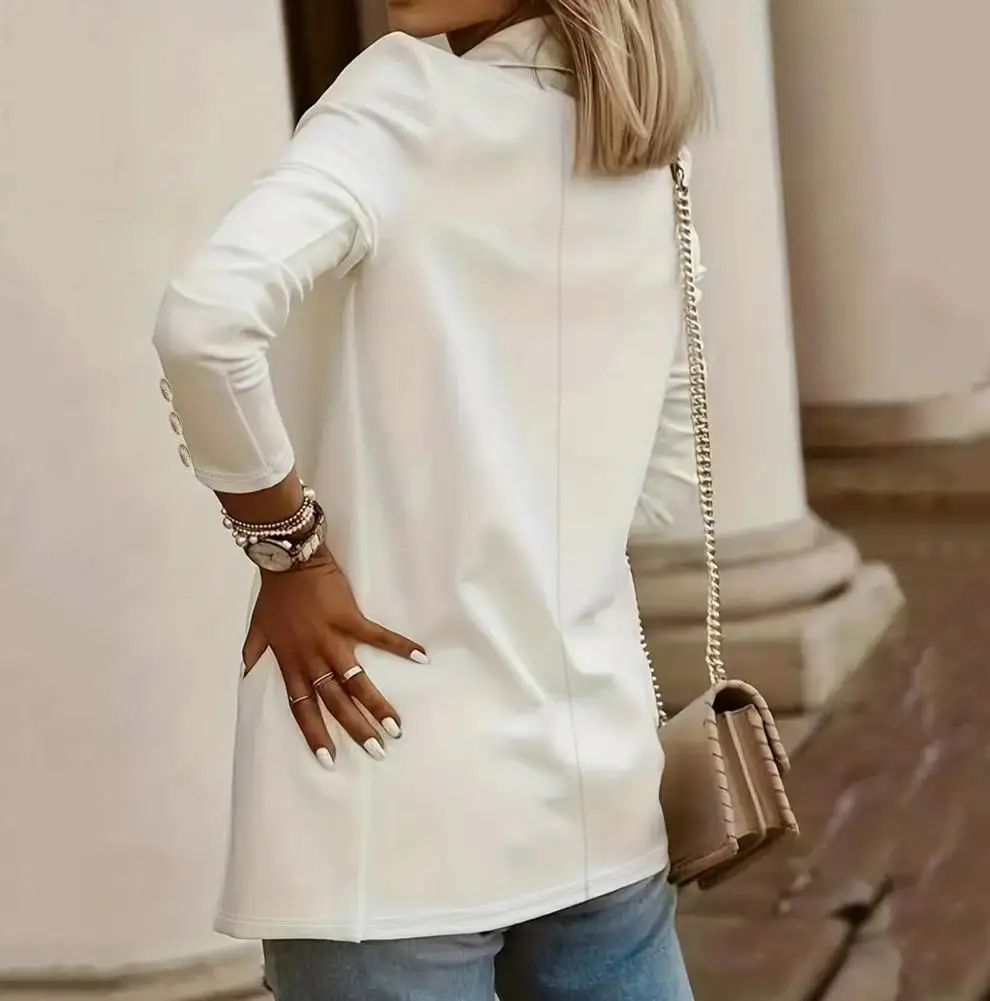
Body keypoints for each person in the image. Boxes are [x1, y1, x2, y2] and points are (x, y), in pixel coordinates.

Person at [152, 0, 707, 998]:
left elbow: (204, 326)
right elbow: (660, 492)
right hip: (599, 786)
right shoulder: (643, 159)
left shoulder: (404, 95)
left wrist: (291, 550)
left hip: (384, 785)